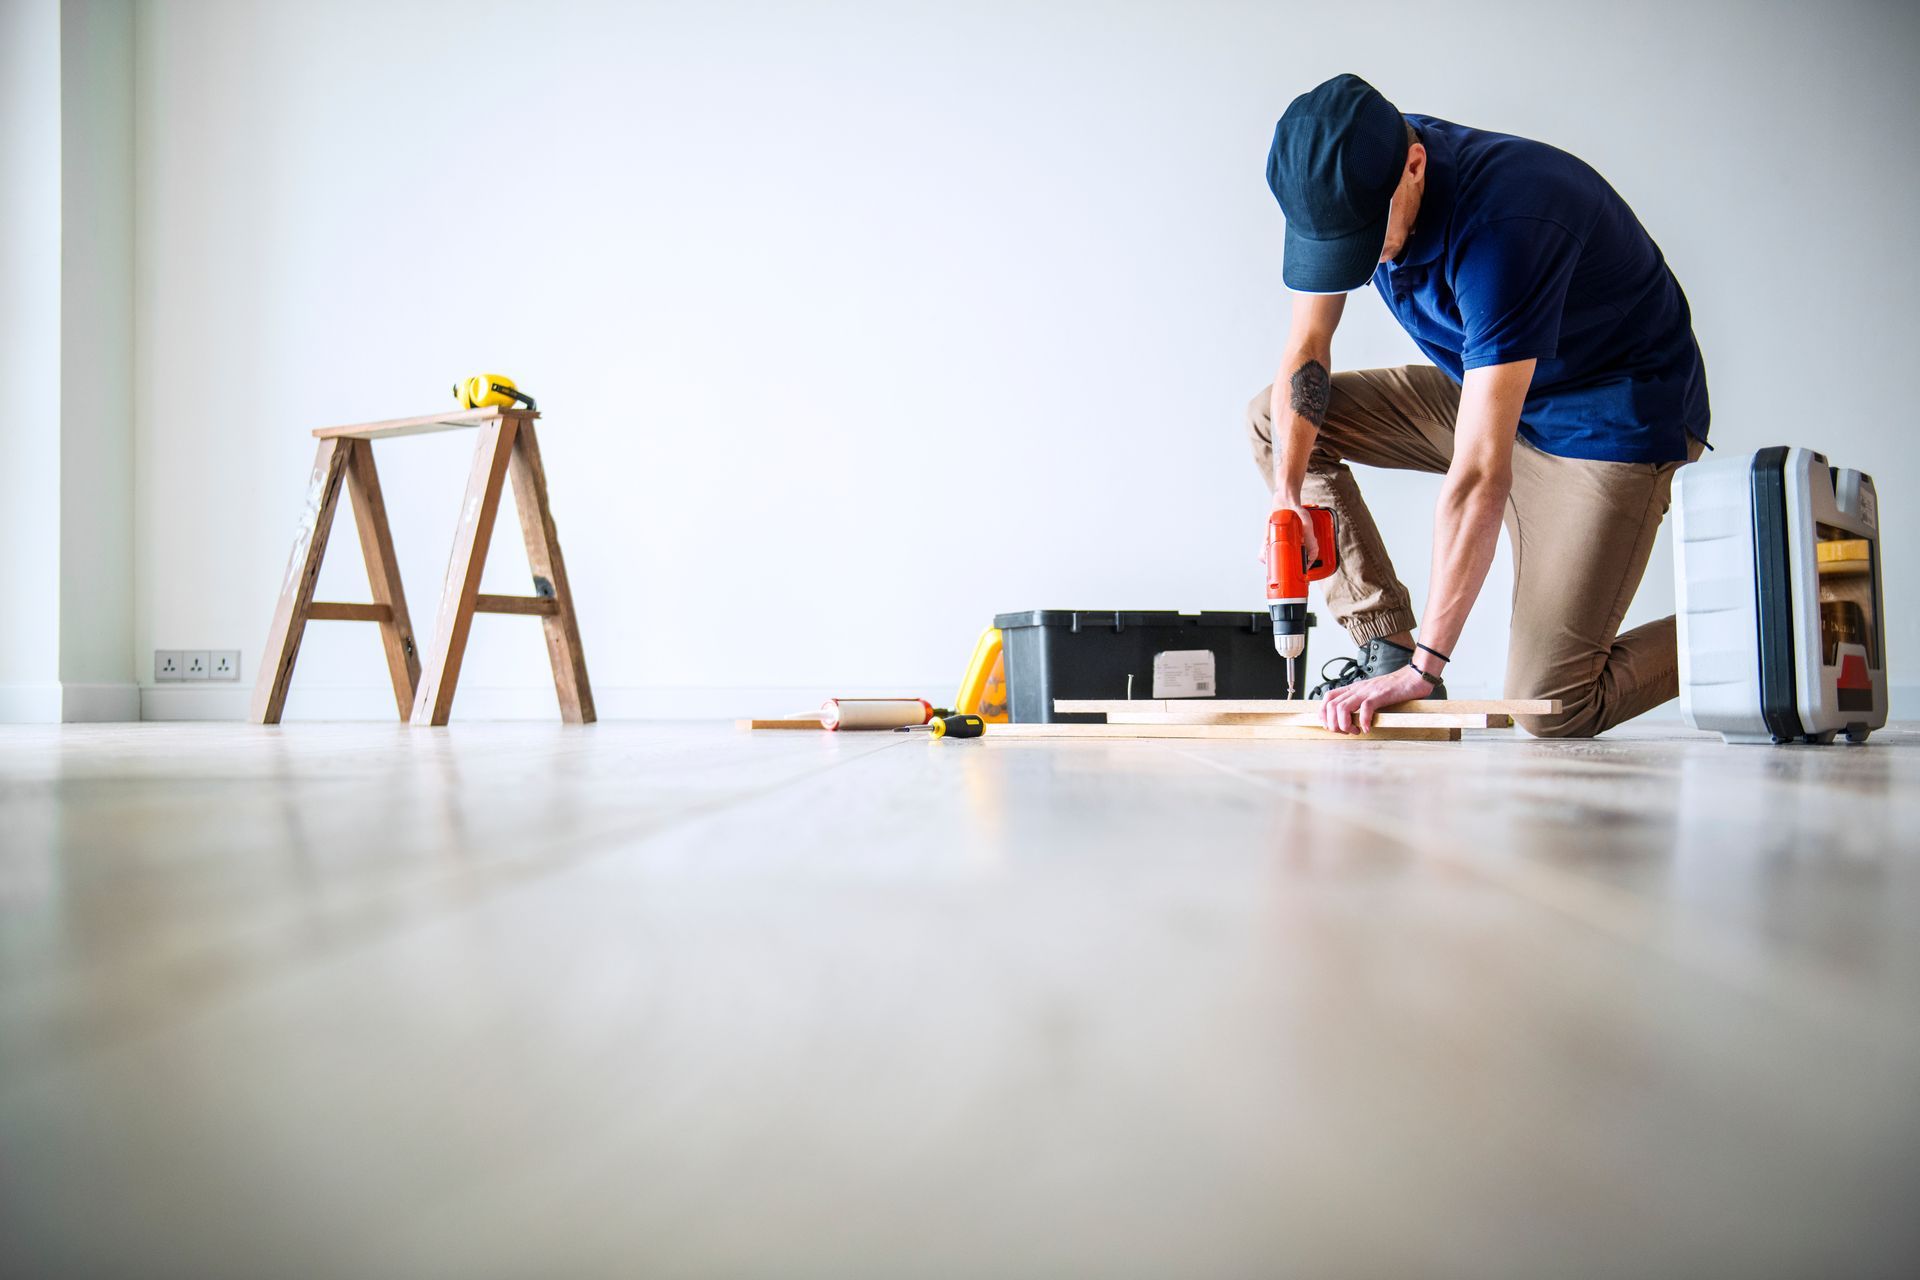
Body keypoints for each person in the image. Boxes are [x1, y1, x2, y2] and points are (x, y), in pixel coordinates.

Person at [1250, 73, 1710, 737]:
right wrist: (1288, 497)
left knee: (1554, 705)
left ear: (1415, 168)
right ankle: (1386, 645)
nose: (1355, 264)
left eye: (1361, 244)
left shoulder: (1507, 225)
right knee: (1276, 420)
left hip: (1606, 425)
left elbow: (1478, 475)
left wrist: (1429, 673)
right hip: (1491, 388)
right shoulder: (1352, 171)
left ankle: (1763, 614)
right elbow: (1307, 348)